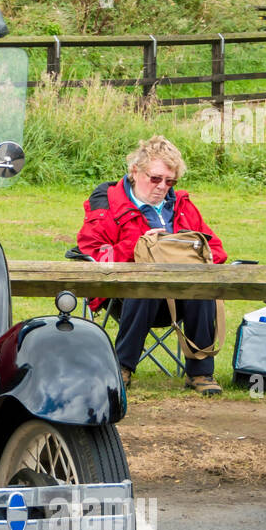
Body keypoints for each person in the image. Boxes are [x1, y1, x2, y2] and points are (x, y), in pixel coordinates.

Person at [77, 135, 226, 394]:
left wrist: (193, 252)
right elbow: (93, 254)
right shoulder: (108, 204)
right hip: (125, 298)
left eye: (170, 181)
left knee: (201, 285)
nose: (162, 187)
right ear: (135, 171)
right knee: (145, 283)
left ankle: (201, 372)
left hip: (182, 298)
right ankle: (122, 367)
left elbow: (216, 249)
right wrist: (139, 247)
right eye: (155, 178)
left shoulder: (182, 205)